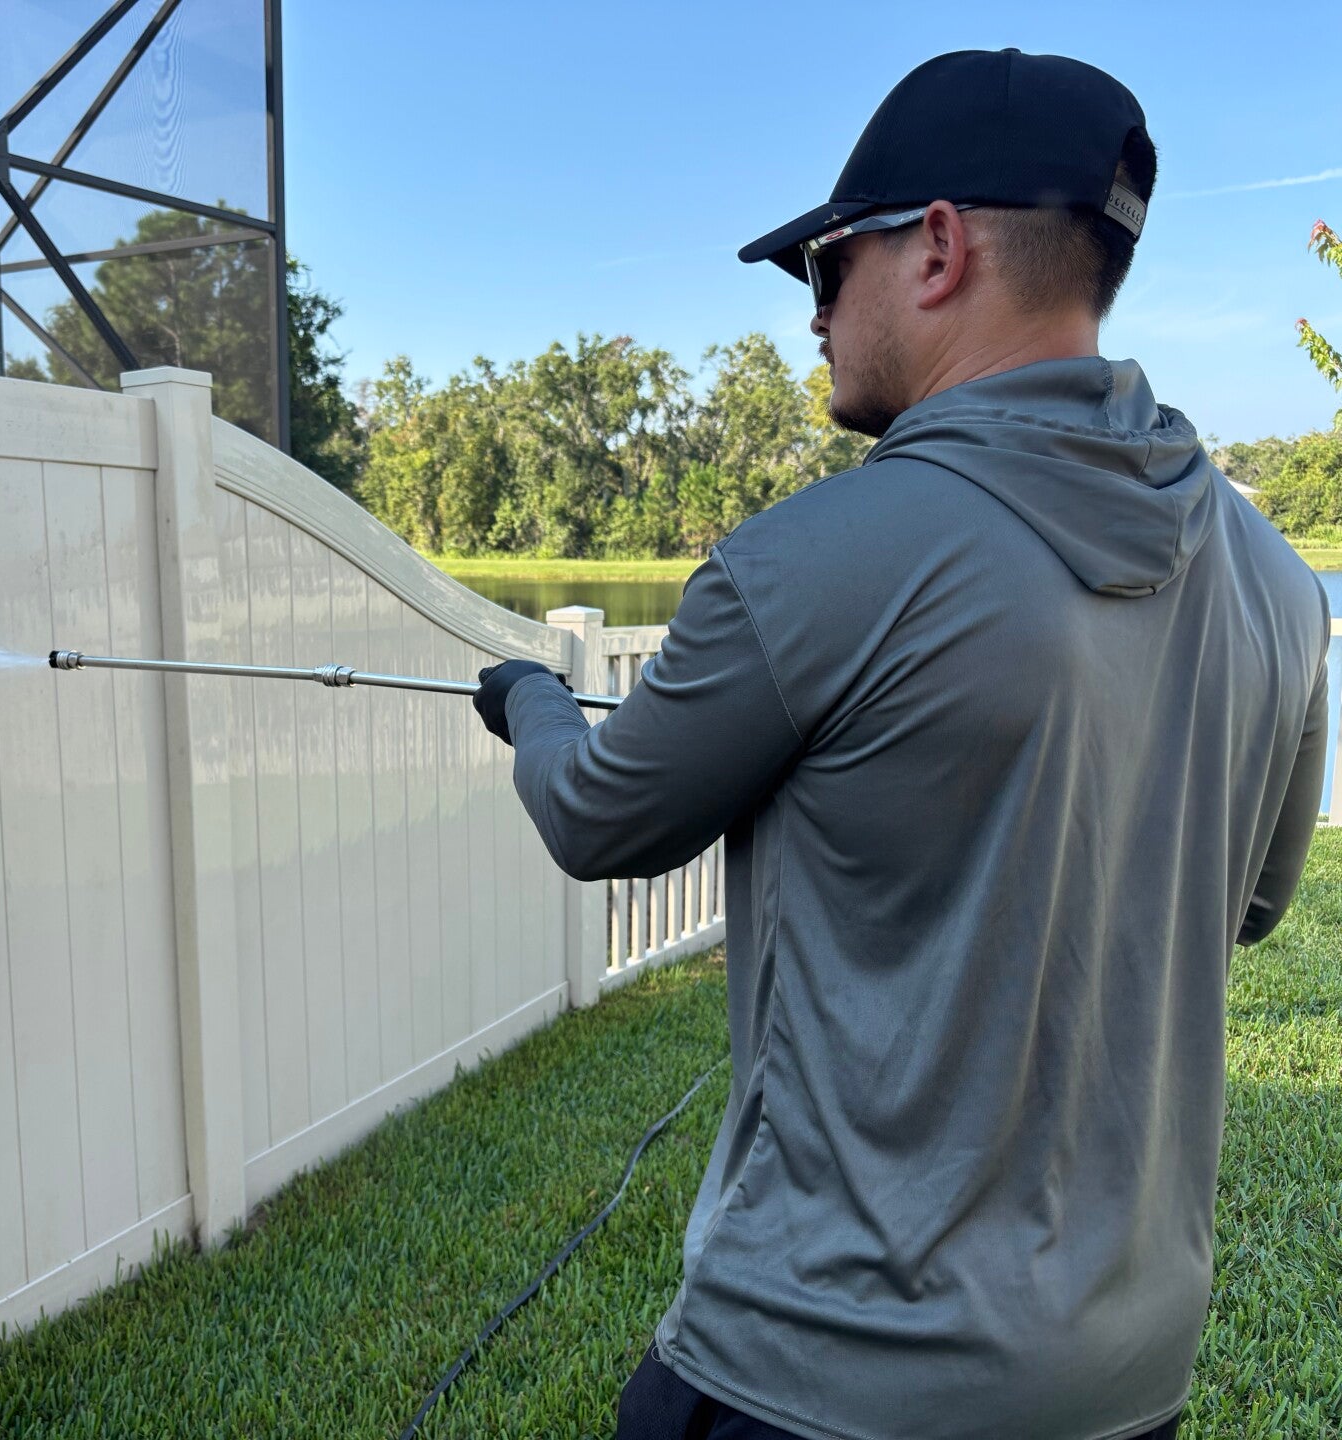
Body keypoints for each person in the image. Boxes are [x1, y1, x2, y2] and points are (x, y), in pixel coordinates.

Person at [470, 48, 1330, 1440]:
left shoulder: (812, 560)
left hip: (818, 1373)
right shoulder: (1284, 585)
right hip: (1130, 1383)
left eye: (825, 267)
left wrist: (533, 702)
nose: (815, 315)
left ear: (936, 248)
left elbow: (596, 817)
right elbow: (1252, 902)